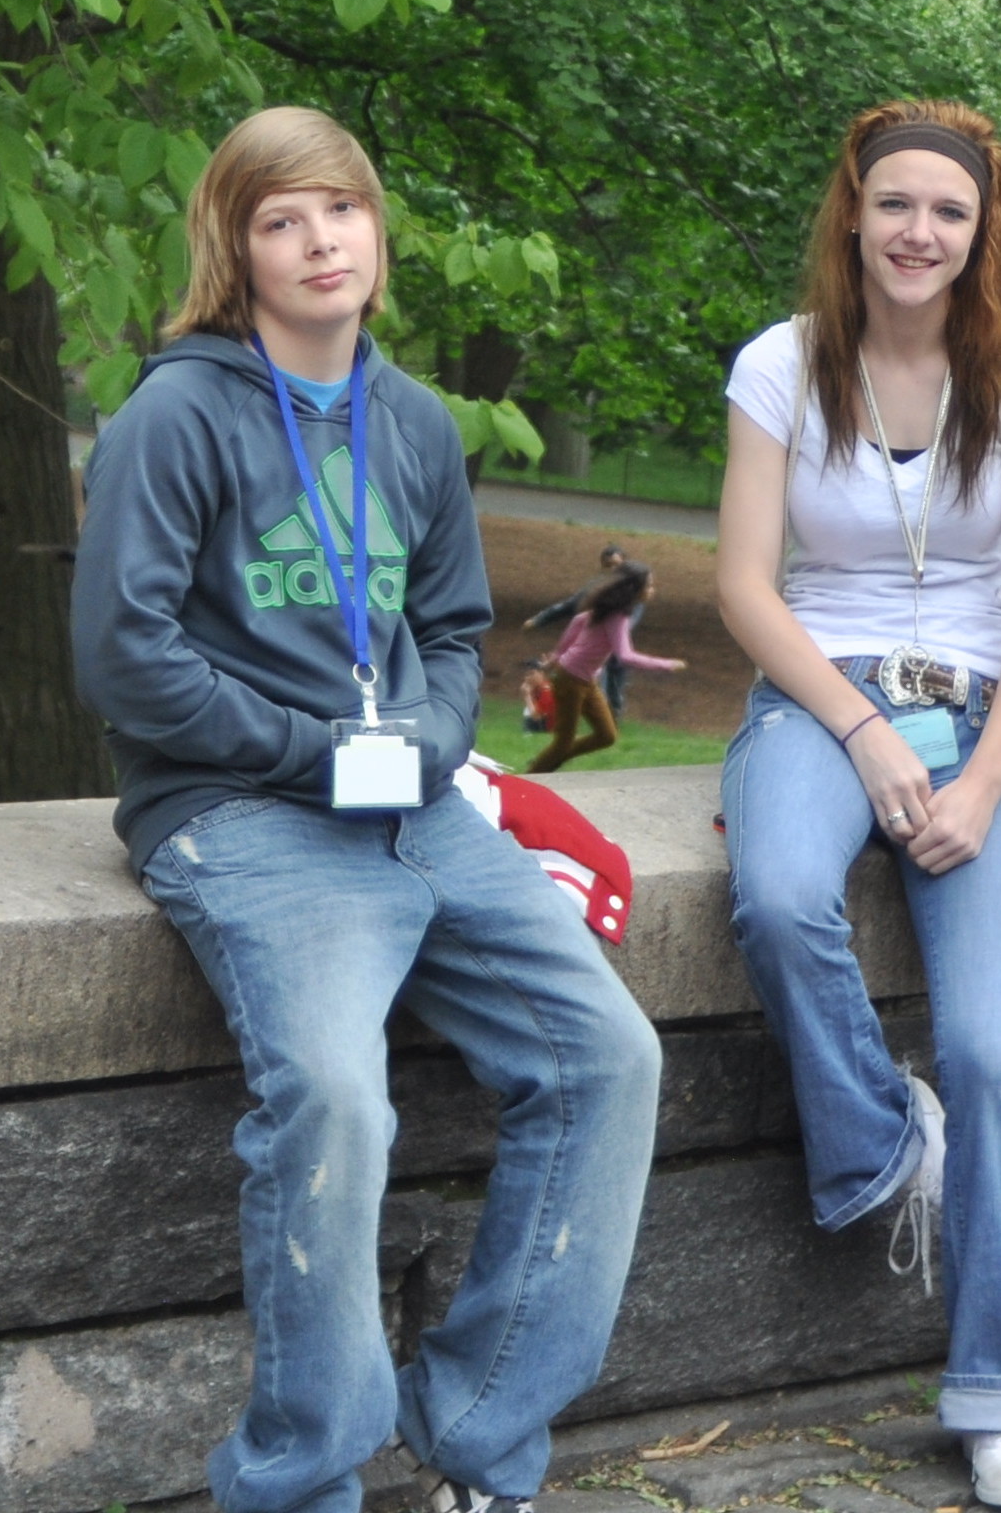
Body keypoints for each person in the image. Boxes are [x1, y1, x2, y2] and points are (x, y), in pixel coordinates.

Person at [72, 107, 662, 1513]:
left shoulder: (413, 421)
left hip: (411, 801)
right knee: (334, 1099)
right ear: (236, 250)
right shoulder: (176, 415)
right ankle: (301, 1482)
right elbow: (123, 654)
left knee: (608, 1058)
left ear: (376, 231)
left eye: (340, 210)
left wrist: (433, 740)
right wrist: (307, 751)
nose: (320, 241)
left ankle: (480, 1440)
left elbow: (450, 629)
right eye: (281, 220)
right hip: (239, 811)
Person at [715, 100, 1001, 1508]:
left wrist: (986, 780)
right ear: (853, 214)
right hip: (818, 694)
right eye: (896, 205)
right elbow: (744, 586)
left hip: (978, 708)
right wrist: (862, 730)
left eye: (949, 211)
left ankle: (999, 1398)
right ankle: (878, 1137)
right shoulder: (782, 366)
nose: (919, 232)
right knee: (780, 897)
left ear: (982, 233)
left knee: (989, 1053)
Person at [527, 560, 683, 772]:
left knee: (606, 736)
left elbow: (579, 620)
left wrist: (558, 655)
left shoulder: (611, 610)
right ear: (634, 589)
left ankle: (550, 759)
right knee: (563, 742)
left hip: (586, 680)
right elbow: (625, 656)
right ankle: (529, 778)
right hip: (569, 679)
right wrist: (666, 664)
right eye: (648, 586)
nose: (652, 590)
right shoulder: (617, 616)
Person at [527, 542, 635, 712]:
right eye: (608, 566)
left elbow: (629, 621)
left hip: (613, 642)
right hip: (596, 640)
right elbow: (570, 605)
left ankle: (613, 709)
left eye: (617, 565)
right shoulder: (595, 587)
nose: (613, 570)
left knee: (615, 677)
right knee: (593, 674)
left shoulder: (632, 591)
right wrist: (540, 619)